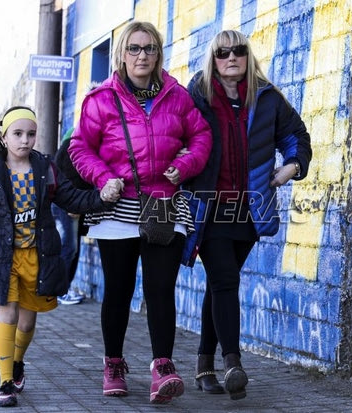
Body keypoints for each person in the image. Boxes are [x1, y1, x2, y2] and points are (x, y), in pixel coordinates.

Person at [68, 21, 212, 404]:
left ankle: (162, 367)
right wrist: (103, 179)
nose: (142, 55)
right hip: (118, 207)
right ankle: (113, 364)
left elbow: (201, 136)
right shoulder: (100, 99)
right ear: (121, 54)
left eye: (149, 48)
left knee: (160, 288)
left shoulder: (177, 96)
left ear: (158, 54)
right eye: (134, 48)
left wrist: (185, 165)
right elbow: (80, 148)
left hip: (164, 204)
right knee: (118, 289)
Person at [183, 30, 312, 400]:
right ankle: (233, 364)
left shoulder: (266, 98)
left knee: (220, 283)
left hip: (249, 210)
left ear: (247, 55)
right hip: (208, 208)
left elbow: (296, 136)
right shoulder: (198, 95)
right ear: (213, 58)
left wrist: (291, 168)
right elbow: (177, 136)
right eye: (222, 52)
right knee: (225, 280)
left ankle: (204, 364)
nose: (231, 58)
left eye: (238, 51)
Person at [0, 106, 117, 407]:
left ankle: (17, 362)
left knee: (26, 323)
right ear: (4, 137)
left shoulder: (46, 169)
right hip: (3, 260)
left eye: (31, 134)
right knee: (7, 316)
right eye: (18, 134)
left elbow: (72, 198)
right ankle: (5, 382)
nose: (25, 140)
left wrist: (101, 197)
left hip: (37, 259)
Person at [52, 127, 88, 305]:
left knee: (72, 248)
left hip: (70, 204)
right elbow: (68, 177)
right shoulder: (73, 144)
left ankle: (64, 288)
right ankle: (61, 291)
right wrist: (72, 203)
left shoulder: (73, 141)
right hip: (67, 206)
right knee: (69, 247)